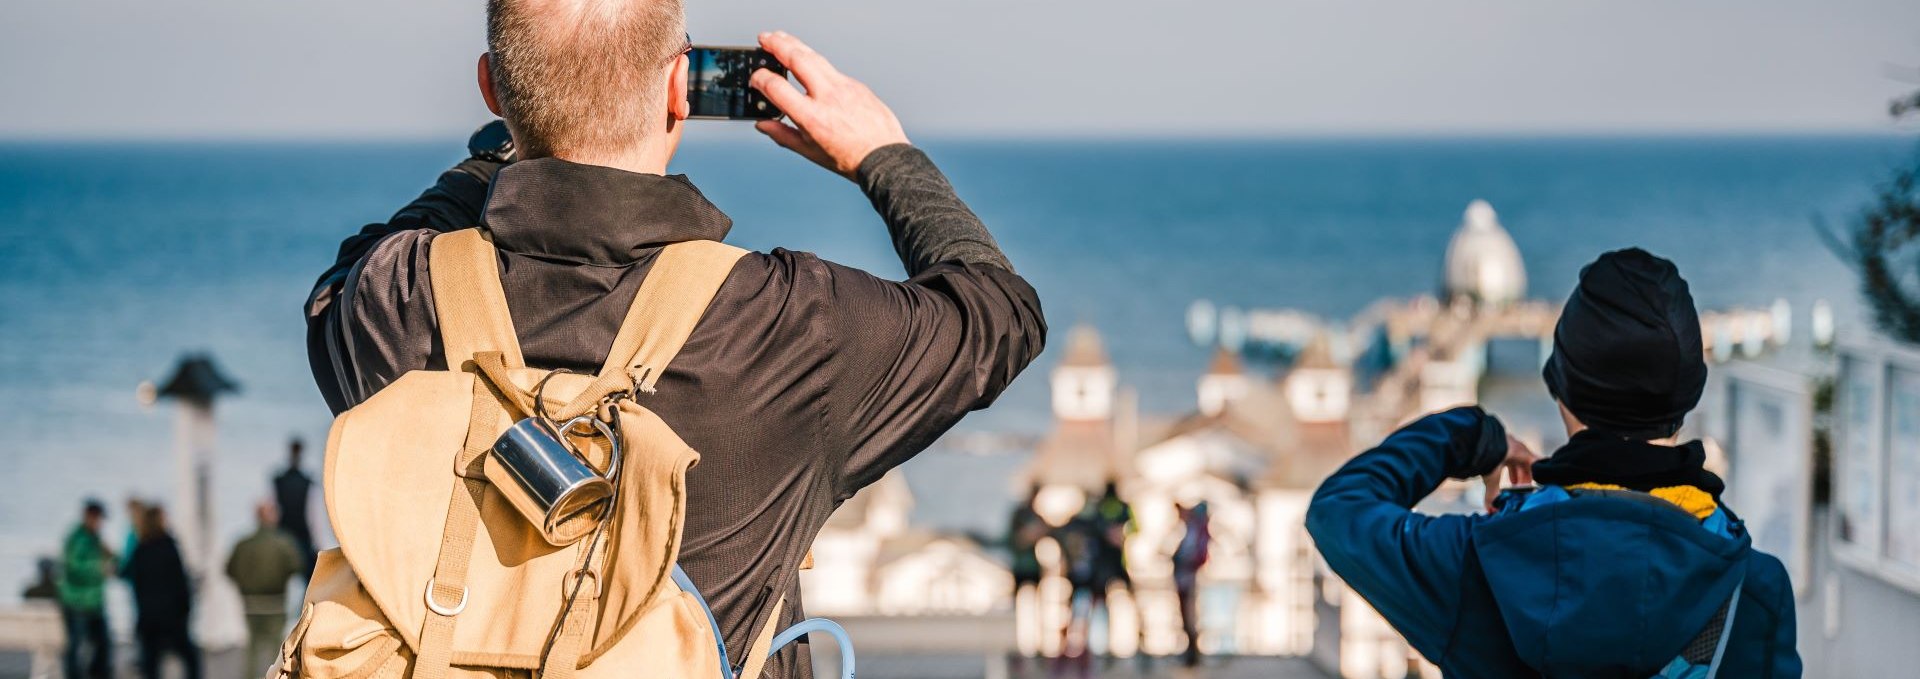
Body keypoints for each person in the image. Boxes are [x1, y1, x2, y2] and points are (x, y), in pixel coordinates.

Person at [303, 3, 1046, 675]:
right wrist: (883, 155)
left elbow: (352, 269)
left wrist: (506, 150)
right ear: (678, 90)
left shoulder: (394, 299)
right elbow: (1000, 314)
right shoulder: (791, 328)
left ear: (492, 89)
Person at [1307, 249, 1800, 677]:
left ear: (1560, 390)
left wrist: (1472, 439)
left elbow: (1338, 510)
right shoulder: (1755, 591)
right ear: (1691, 392)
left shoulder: (1478, 563)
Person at [124, 506, 202, 679]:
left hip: (150, 617)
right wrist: (185, 610)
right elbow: (180, 583)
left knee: (151, 665)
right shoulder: (169, 548)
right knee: (191, 659)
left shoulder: (140, 551)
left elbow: (136, 586)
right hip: (172, 616)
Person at [226, 502, 305, 675]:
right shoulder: (284, 542)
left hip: (251, 602)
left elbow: (229, 569)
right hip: (275, 602)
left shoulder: (243, 544)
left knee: (253, 648)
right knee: (277, 651)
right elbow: (297, 565)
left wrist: (244, 585)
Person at [58, 499, 113, 679]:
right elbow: (73, 568)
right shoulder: (77, 539)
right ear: (89, 516)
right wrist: (99, 568)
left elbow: (112, 562)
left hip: (94, 602)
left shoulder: (95, 539)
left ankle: (97, 674)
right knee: (75, 646)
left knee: (103, 644)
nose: (100, 523)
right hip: (76, 602)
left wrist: (110, 558)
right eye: (97, 519)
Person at [1171, 502, 1210, 668]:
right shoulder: (1190, 531)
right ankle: (1191, 653)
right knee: (1186, 616)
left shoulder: (1195, 531)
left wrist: (1183, 562)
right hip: (1184, 578)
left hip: (1189, 578)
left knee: (1190, 616)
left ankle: (1192, 655)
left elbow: (1196, 556)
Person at [272, 437, 316, 576]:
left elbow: (273, 510)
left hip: (283, 533)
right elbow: (313, 516)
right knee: (309, 577)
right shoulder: (307, 482)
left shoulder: (279, 480)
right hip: (302, 535)